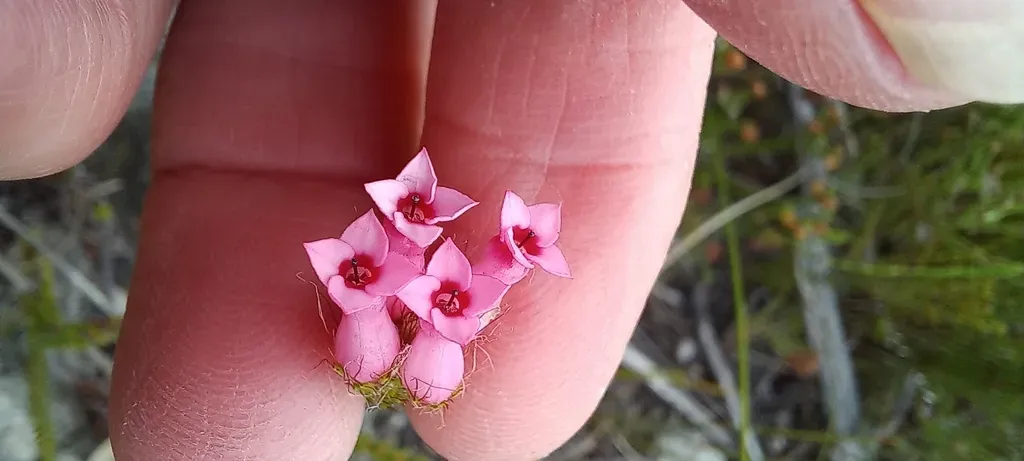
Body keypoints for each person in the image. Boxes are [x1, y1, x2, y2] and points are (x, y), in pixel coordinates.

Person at [1, 1, 1018, 460]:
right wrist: (411, 285)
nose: (442, 292)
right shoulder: (415, 280)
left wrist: (416, 283)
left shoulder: (420, 270)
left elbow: (433, 289)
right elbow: (430, 294)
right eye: (437, 292)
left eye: (436, 291)